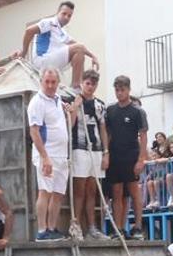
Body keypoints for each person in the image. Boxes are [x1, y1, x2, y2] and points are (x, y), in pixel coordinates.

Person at [27, 67, 74, 241]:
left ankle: (52, 228)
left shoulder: (57, 99)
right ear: (41, 82)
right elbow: (34, 131)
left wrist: (71, 109)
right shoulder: (37, 102)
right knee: (45, 190)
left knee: (58, 192)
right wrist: (44, 156)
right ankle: (41, 230)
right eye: (47, 81)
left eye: (53, 82)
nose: (50, 85)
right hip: (47, 153)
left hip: (61, 155)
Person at [104, 76, 148, 240]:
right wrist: (106, 153)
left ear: (128, 90)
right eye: (117, 90)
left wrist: (141, 159)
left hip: (131, 156)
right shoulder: (110, 110)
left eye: (122, 90)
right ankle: (119, 229)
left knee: (134, 191)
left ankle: (137, 227)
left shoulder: (137, 111)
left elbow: (143, 136)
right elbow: (107, 133)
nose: (119, 93)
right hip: (115, 156)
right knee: (116, 193)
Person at [70, 69, 110, 240]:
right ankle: (76, 225)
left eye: (93, 84)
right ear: (82, 83)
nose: (90, 87)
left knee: (92, 191)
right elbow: (69, 123)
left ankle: (92, 228)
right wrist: (75, 107)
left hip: (96, 150)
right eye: (87, 83)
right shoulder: (73, 100)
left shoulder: (100, 105)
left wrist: (106, 152)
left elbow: (103, 128)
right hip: (79, 148)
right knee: (79, 189)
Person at [21, 0, 98, 88]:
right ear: (58, 12)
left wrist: (93, 56)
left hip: (52, 61)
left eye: (69, 16)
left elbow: (80, 46)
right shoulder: (49, 22)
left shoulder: (62, 32)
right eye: (64, 14)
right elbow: (29, 31)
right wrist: (24, 52)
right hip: (43, 60)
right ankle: (76, 86)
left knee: (80, 54)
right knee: (79, 49)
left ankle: (79, 85)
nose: (66, 17)